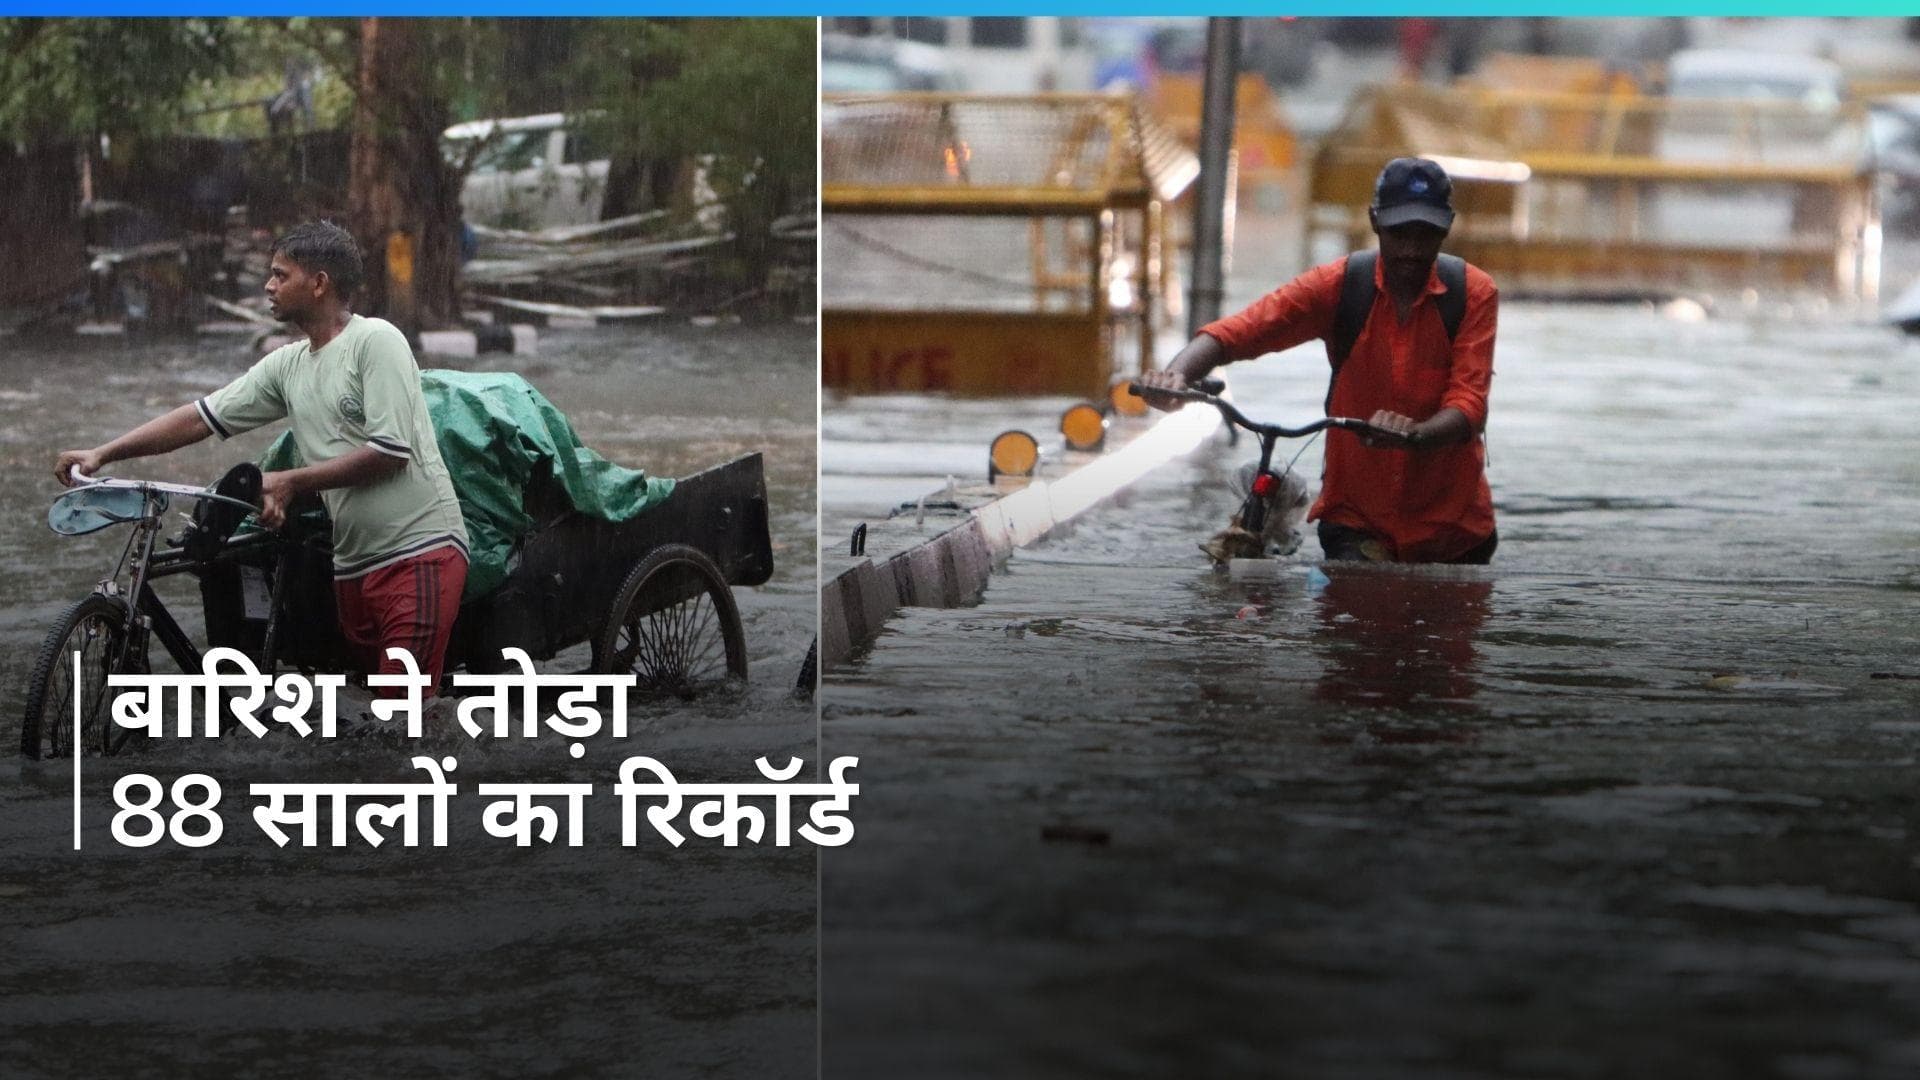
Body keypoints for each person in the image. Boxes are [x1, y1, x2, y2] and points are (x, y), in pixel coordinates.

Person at [54, 221, 470, 696]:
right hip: (353, 563)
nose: (268, 287)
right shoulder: (287, 364)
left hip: (418, 552)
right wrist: (105, 452)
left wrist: (288, 482)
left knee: (401, 708)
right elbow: (198, 419)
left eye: (280, 274)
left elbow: (391, 452)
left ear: (319, 283)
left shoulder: (375, 341)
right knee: (372, 709)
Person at [1136, 157, 1498, 564]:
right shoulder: (1341, 286)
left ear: (1447, 227)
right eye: (1399, 233)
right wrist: (1176, 377)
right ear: (1375, 221)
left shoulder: (1473, 294)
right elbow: (1239, 332)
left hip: (1454, 530)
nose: (1412, 250)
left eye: (1426, 234)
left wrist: (1416, 434)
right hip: (1358, 522)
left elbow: (1469, 404)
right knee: (1350, 617)